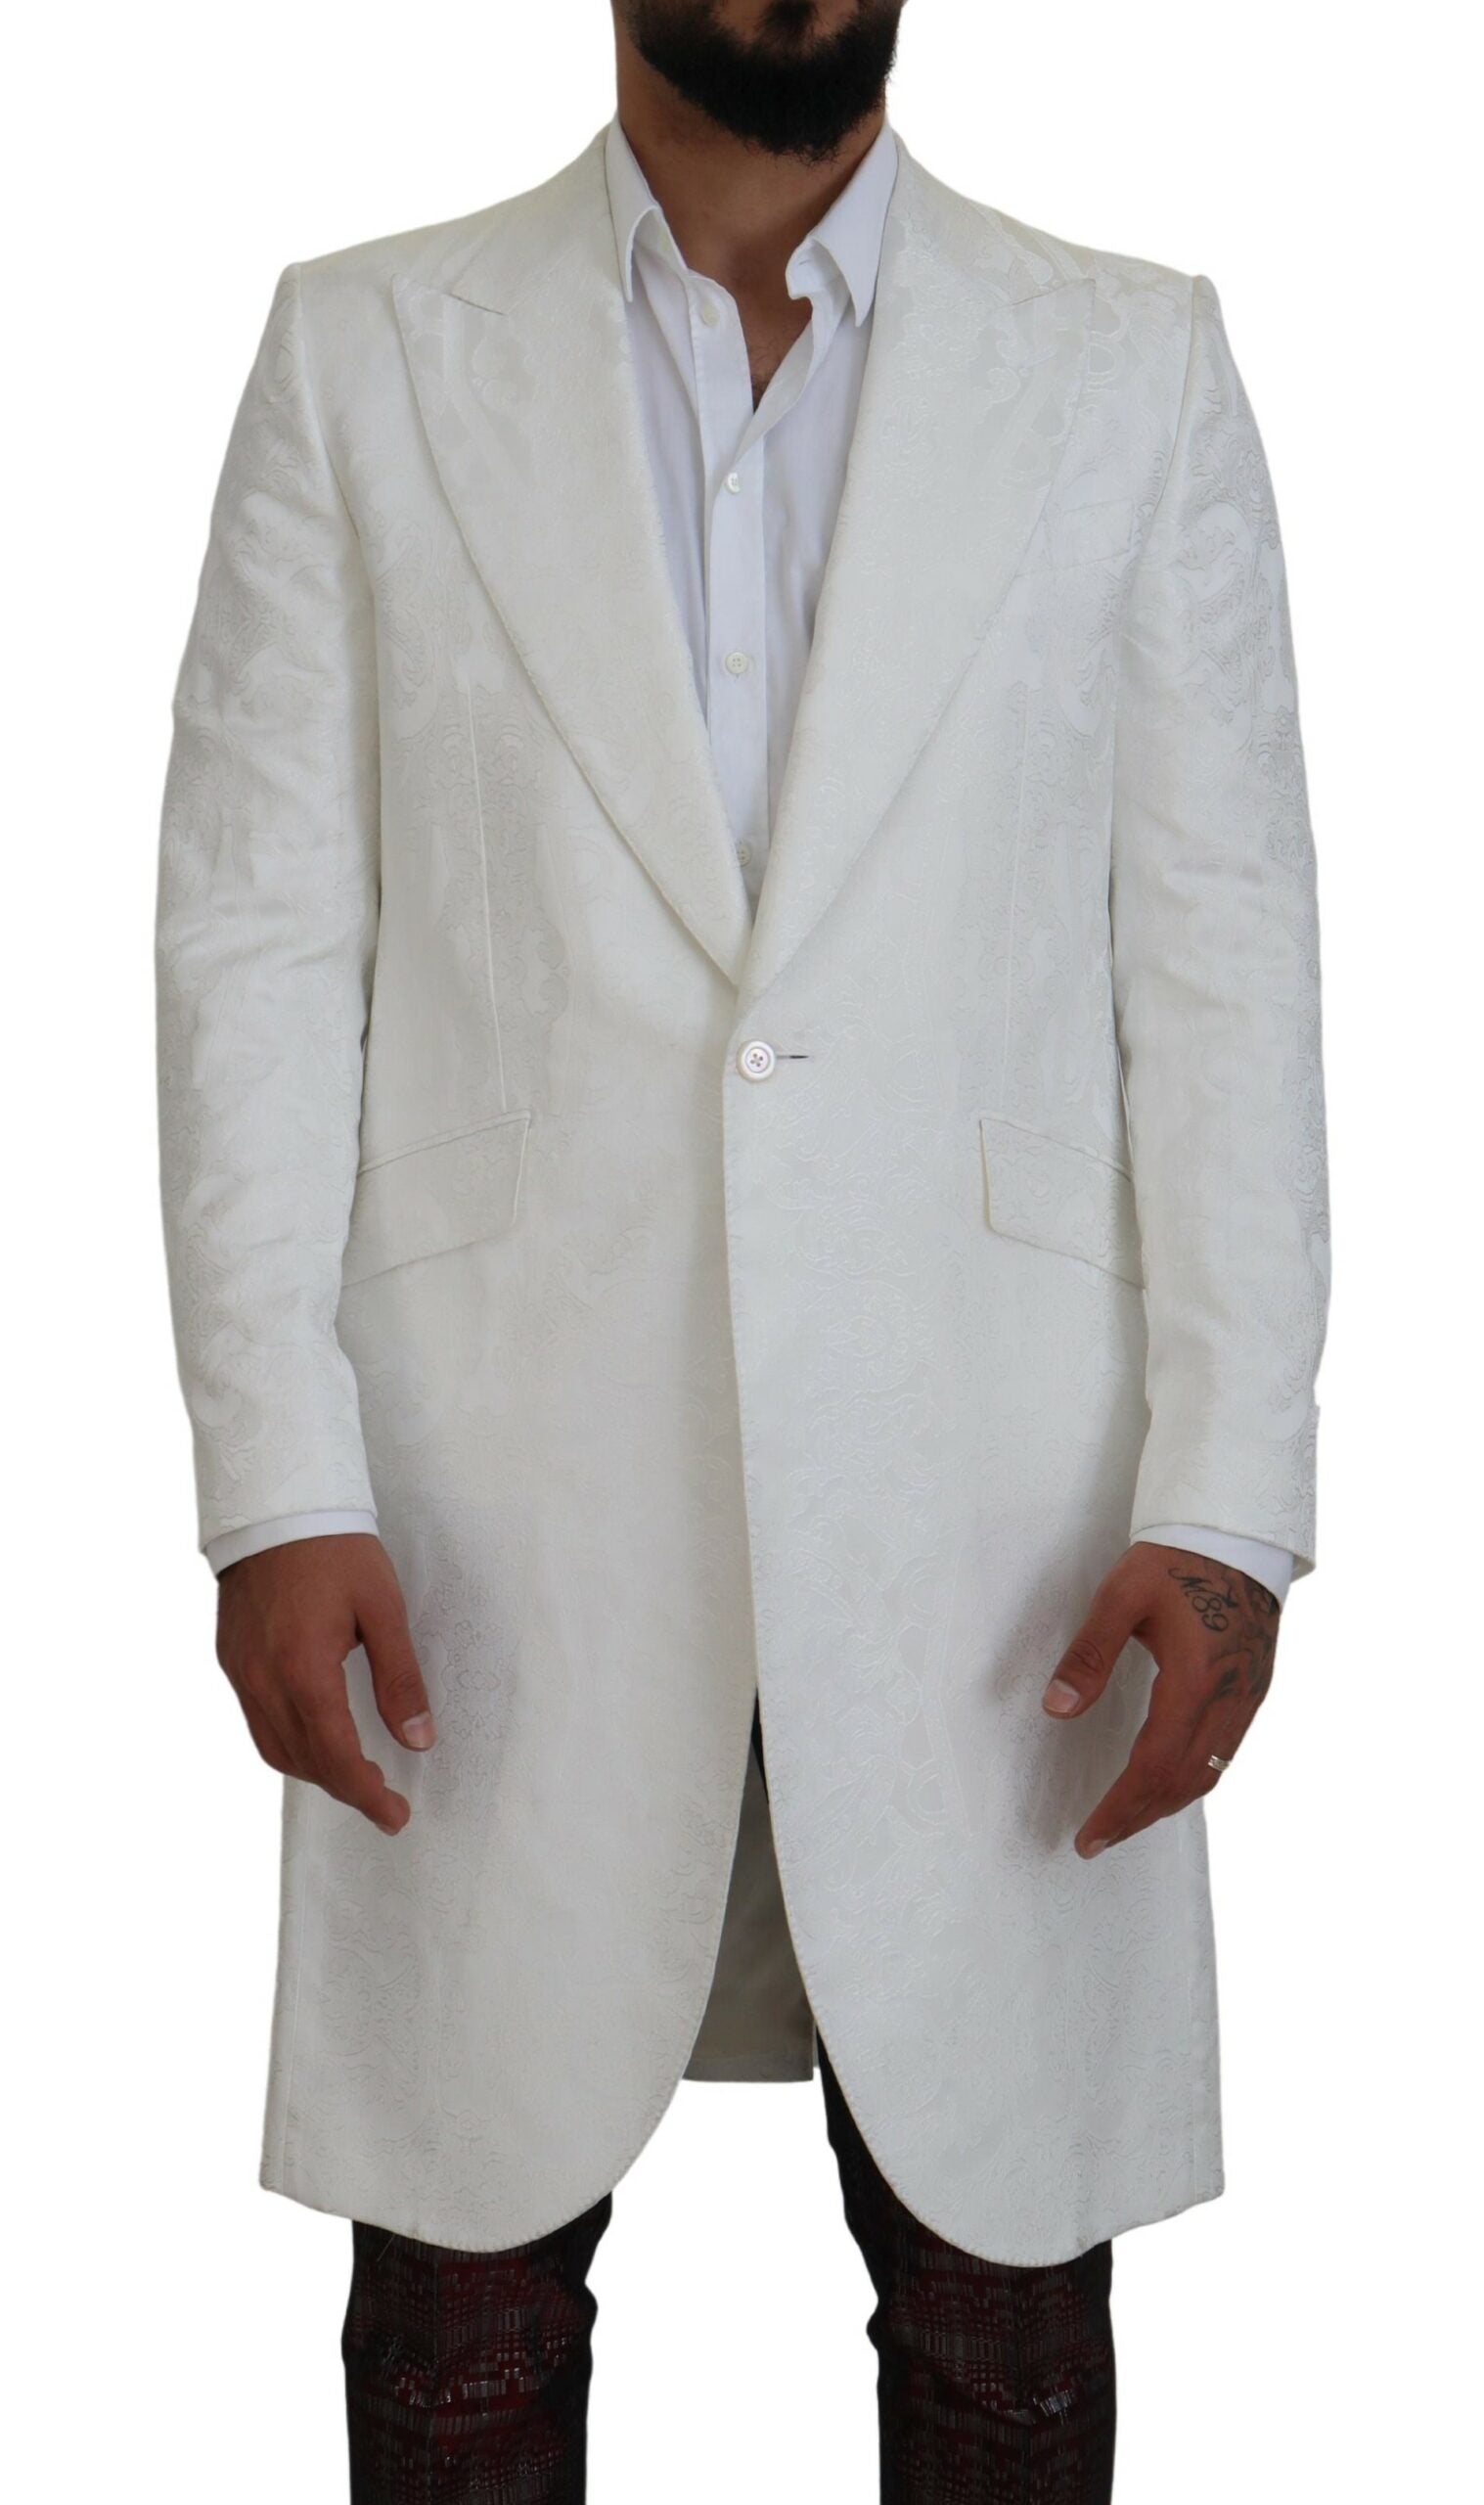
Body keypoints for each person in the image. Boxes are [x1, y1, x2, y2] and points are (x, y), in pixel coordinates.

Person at [156, 2, 1329, 2495]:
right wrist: (272, 1474)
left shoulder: (1128, 369)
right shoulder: (364, 356)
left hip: (999, 1523)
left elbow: (1225, 965)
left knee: (1006, 2338)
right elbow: (256, 942)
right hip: (489, 1514)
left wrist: (1232, 1499)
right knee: (458, 2337)